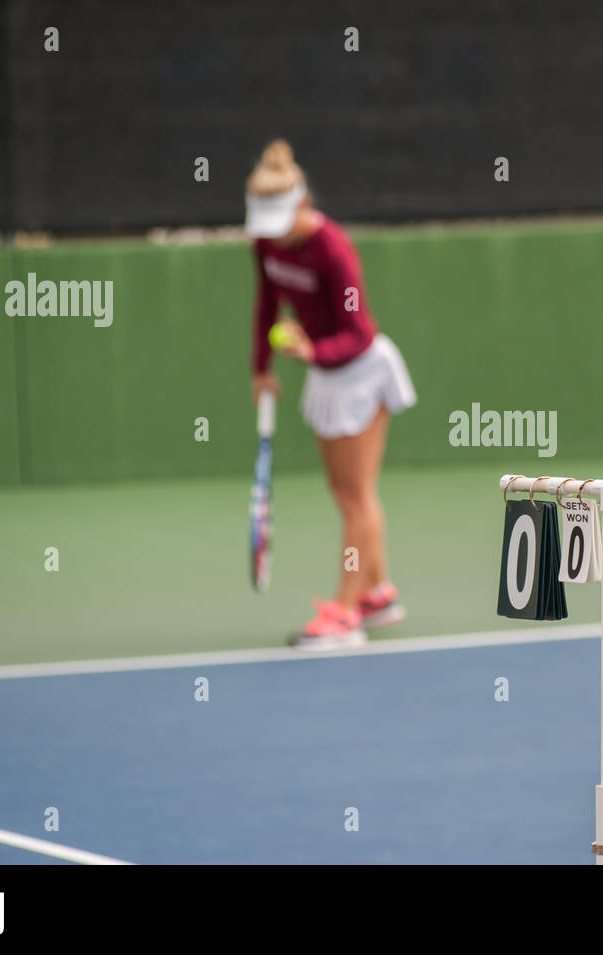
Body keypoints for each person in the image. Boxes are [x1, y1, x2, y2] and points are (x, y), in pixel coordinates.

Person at [245, 139, 416, 650]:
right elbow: (267, 303)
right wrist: (261, 369)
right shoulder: (267, 243)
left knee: (356, 498)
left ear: (301, 205)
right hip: (324, 374)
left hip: (362, 373)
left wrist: (311, 353)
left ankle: (344, 612)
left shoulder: (333, 248)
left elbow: (359, 332)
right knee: (345, 494)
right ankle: (378, 595)